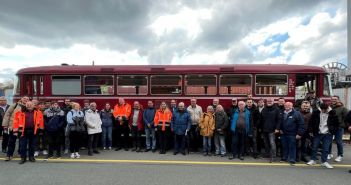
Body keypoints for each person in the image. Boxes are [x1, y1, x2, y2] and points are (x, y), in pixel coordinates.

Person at [307, 103, 339, 169]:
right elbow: (311, 122)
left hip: (328, 134)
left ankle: (324, 162)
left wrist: (332, 132)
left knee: (326, 149)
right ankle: (313, 160)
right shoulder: (316, 112)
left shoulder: (333, 113)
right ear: (320, 108)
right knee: (314, 147)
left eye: (325, 110)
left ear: (328, 108)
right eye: (322, 110)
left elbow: (336, 124)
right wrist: (310, 131)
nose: (324, 111)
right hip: (317, 133)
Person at [2, 95, 29, 161]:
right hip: (14, 127)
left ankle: (21, 154)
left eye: (27, 99)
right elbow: (7, 114)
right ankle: (9, 155)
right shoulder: (15, 105)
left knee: (22, 142)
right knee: (11, 141)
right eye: (24, 98)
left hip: (23, 127)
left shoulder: (29, 106)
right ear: (21, 99)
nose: (25, 99)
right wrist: (5, 125)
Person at [328, 96, 349, 162]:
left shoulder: (343, 108)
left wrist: (344, 125)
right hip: (330, 127)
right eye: (332, 99)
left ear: (338, 100)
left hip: (339, 127)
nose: (334, 100)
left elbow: (348, 117)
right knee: (328, 141)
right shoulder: (329, 107)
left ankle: (340, 155)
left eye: (335, 99)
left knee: (338, 141)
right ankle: (329, 153)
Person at [260, 98, 281, 163]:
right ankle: (267, 154)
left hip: (272, 130)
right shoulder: (264, 109)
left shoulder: (277, 109)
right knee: (266, 143)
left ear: (273, 102)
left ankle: (273, 157)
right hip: (264, 130)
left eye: (270, 101)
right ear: (266, 102)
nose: (269, 102)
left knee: (272, 143)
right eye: (268, 101)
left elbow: (279, 120)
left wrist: (277, 128)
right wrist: (260, 128)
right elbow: (261, 119)